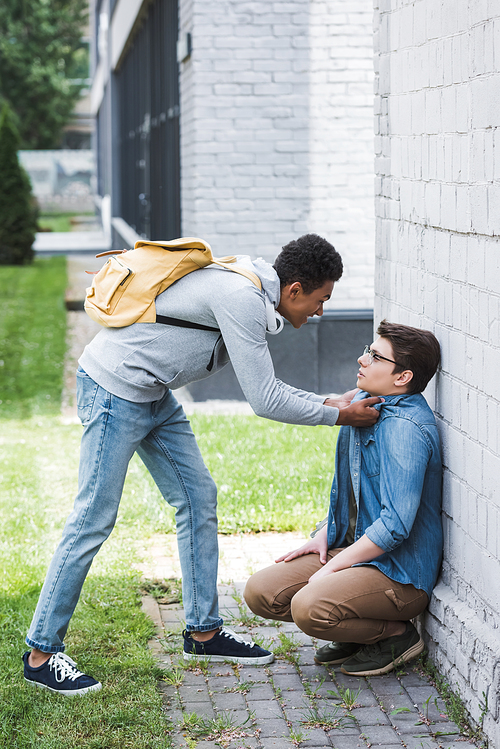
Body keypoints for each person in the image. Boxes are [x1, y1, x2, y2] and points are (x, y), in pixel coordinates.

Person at [23, 233, 382, 695]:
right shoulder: (241, 298)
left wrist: (329, 401)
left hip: (153, 393)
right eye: (319, 300)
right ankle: (41, 653)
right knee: (93, 517)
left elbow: (267, 385)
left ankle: (203, 631)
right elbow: (265, 399)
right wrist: (338, 414)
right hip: (115, 391)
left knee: (197, 498)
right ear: (293, 290)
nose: (319, 312)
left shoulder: (252, 290)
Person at [244, 320, 442, 676]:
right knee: (262, 592)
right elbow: (351, 490)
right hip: (355, 549)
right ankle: (360, 632)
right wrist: (324, 533)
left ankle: (395, 635)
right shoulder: (365, 405)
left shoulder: (405, 430)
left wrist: (332, 568)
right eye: (369, 350)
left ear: (402, 377)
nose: (362, 359)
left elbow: (395, 526)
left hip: (398, 573)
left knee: (309, 606)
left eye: (376, 356)